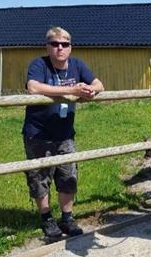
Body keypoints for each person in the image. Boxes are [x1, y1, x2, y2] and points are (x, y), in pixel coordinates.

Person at [22, 26, 104, 239]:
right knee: (40, 178)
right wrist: (72, 90)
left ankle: (67, 218)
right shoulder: (39, 64)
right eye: (55, 44)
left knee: (68, 176)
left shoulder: (77, 64)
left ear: (70, 47)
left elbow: (99, 83)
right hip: (38, 133)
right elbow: (34, 87)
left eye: (64, 44)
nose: (60, 48)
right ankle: (47, 218)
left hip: (65, 133)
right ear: (47, 46)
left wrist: (91, 90)